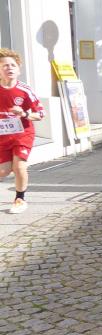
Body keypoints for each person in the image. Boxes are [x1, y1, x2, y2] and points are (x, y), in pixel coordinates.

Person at [0, 48, 45, 214]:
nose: (9, 68)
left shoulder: (25, 90)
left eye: (13, 65)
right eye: (5, 65)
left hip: (23, 134)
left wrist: (24, 114)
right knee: (3, 171)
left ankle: (20, 199)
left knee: (19, 166)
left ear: (18, 69)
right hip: (3, 136)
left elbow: (41, 114)